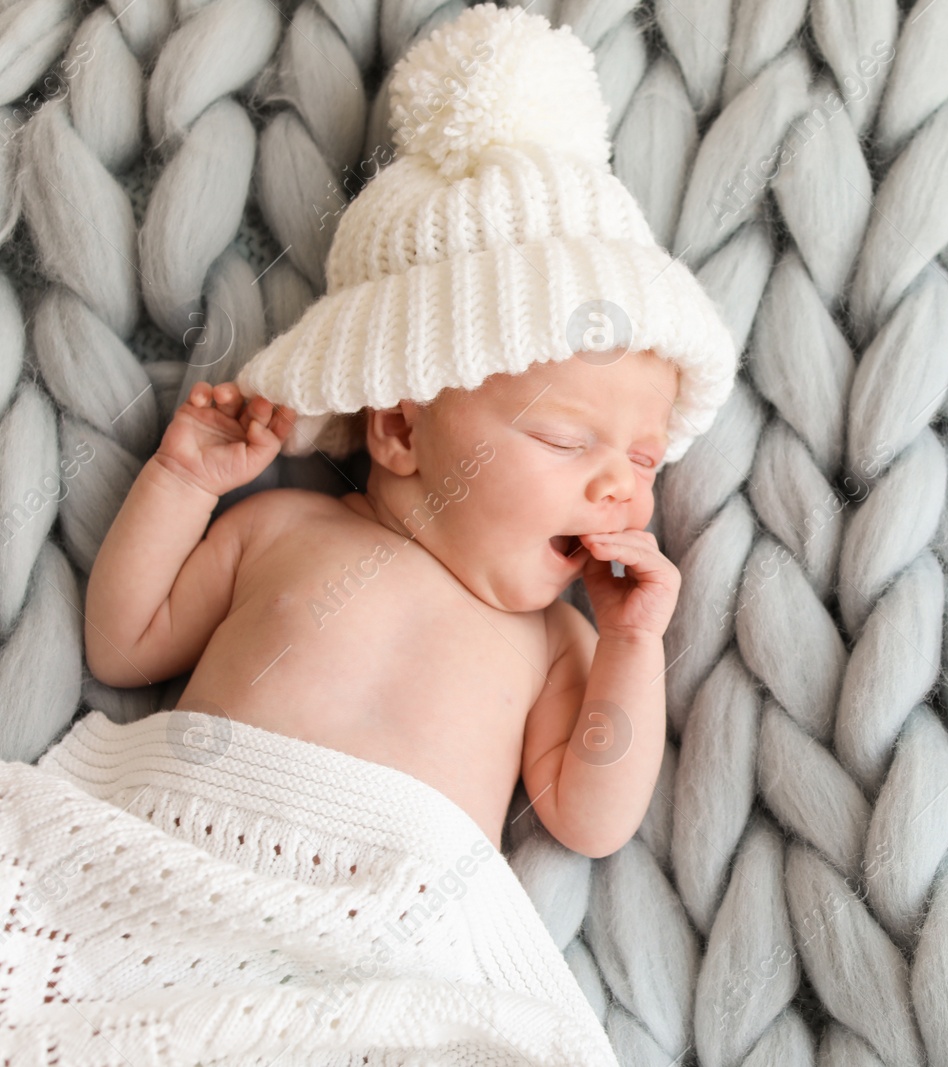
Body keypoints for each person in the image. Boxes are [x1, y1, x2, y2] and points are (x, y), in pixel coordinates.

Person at [0, 6, 735, 1060]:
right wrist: (179, 481)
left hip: (389, 933)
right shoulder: (284, 529)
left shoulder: (548, 642)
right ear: (398, 426)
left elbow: (588, 813)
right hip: (179, 865)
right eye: (571, 439)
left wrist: (631, 643)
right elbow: (126, 640)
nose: (621, 486)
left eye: (644, 462)